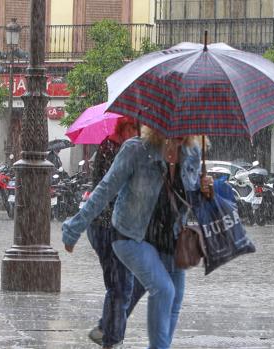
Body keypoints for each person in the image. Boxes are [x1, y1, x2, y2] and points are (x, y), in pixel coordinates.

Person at [62, 124, 213, 349]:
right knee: (163, 289)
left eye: (186, 124)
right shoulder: (136, 150)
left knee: (174, 300)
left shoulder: (192, 153)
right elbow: (105, 189)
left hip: (170, 238)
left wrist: (206, 190)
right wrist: (74, 228)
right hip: (130, 234)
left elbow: (191, 204)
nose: (180, 130)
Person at [85, 117, 145, 348]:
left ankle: (107, 329)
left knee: (132, 282)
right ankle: (111, 338)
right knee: (120, 286)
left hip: (117, 226)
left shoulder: (124, 149)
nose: (139, 134)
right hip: (108, 226)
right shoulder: (112, 149)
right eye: (135, 129)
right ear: (125, 127)